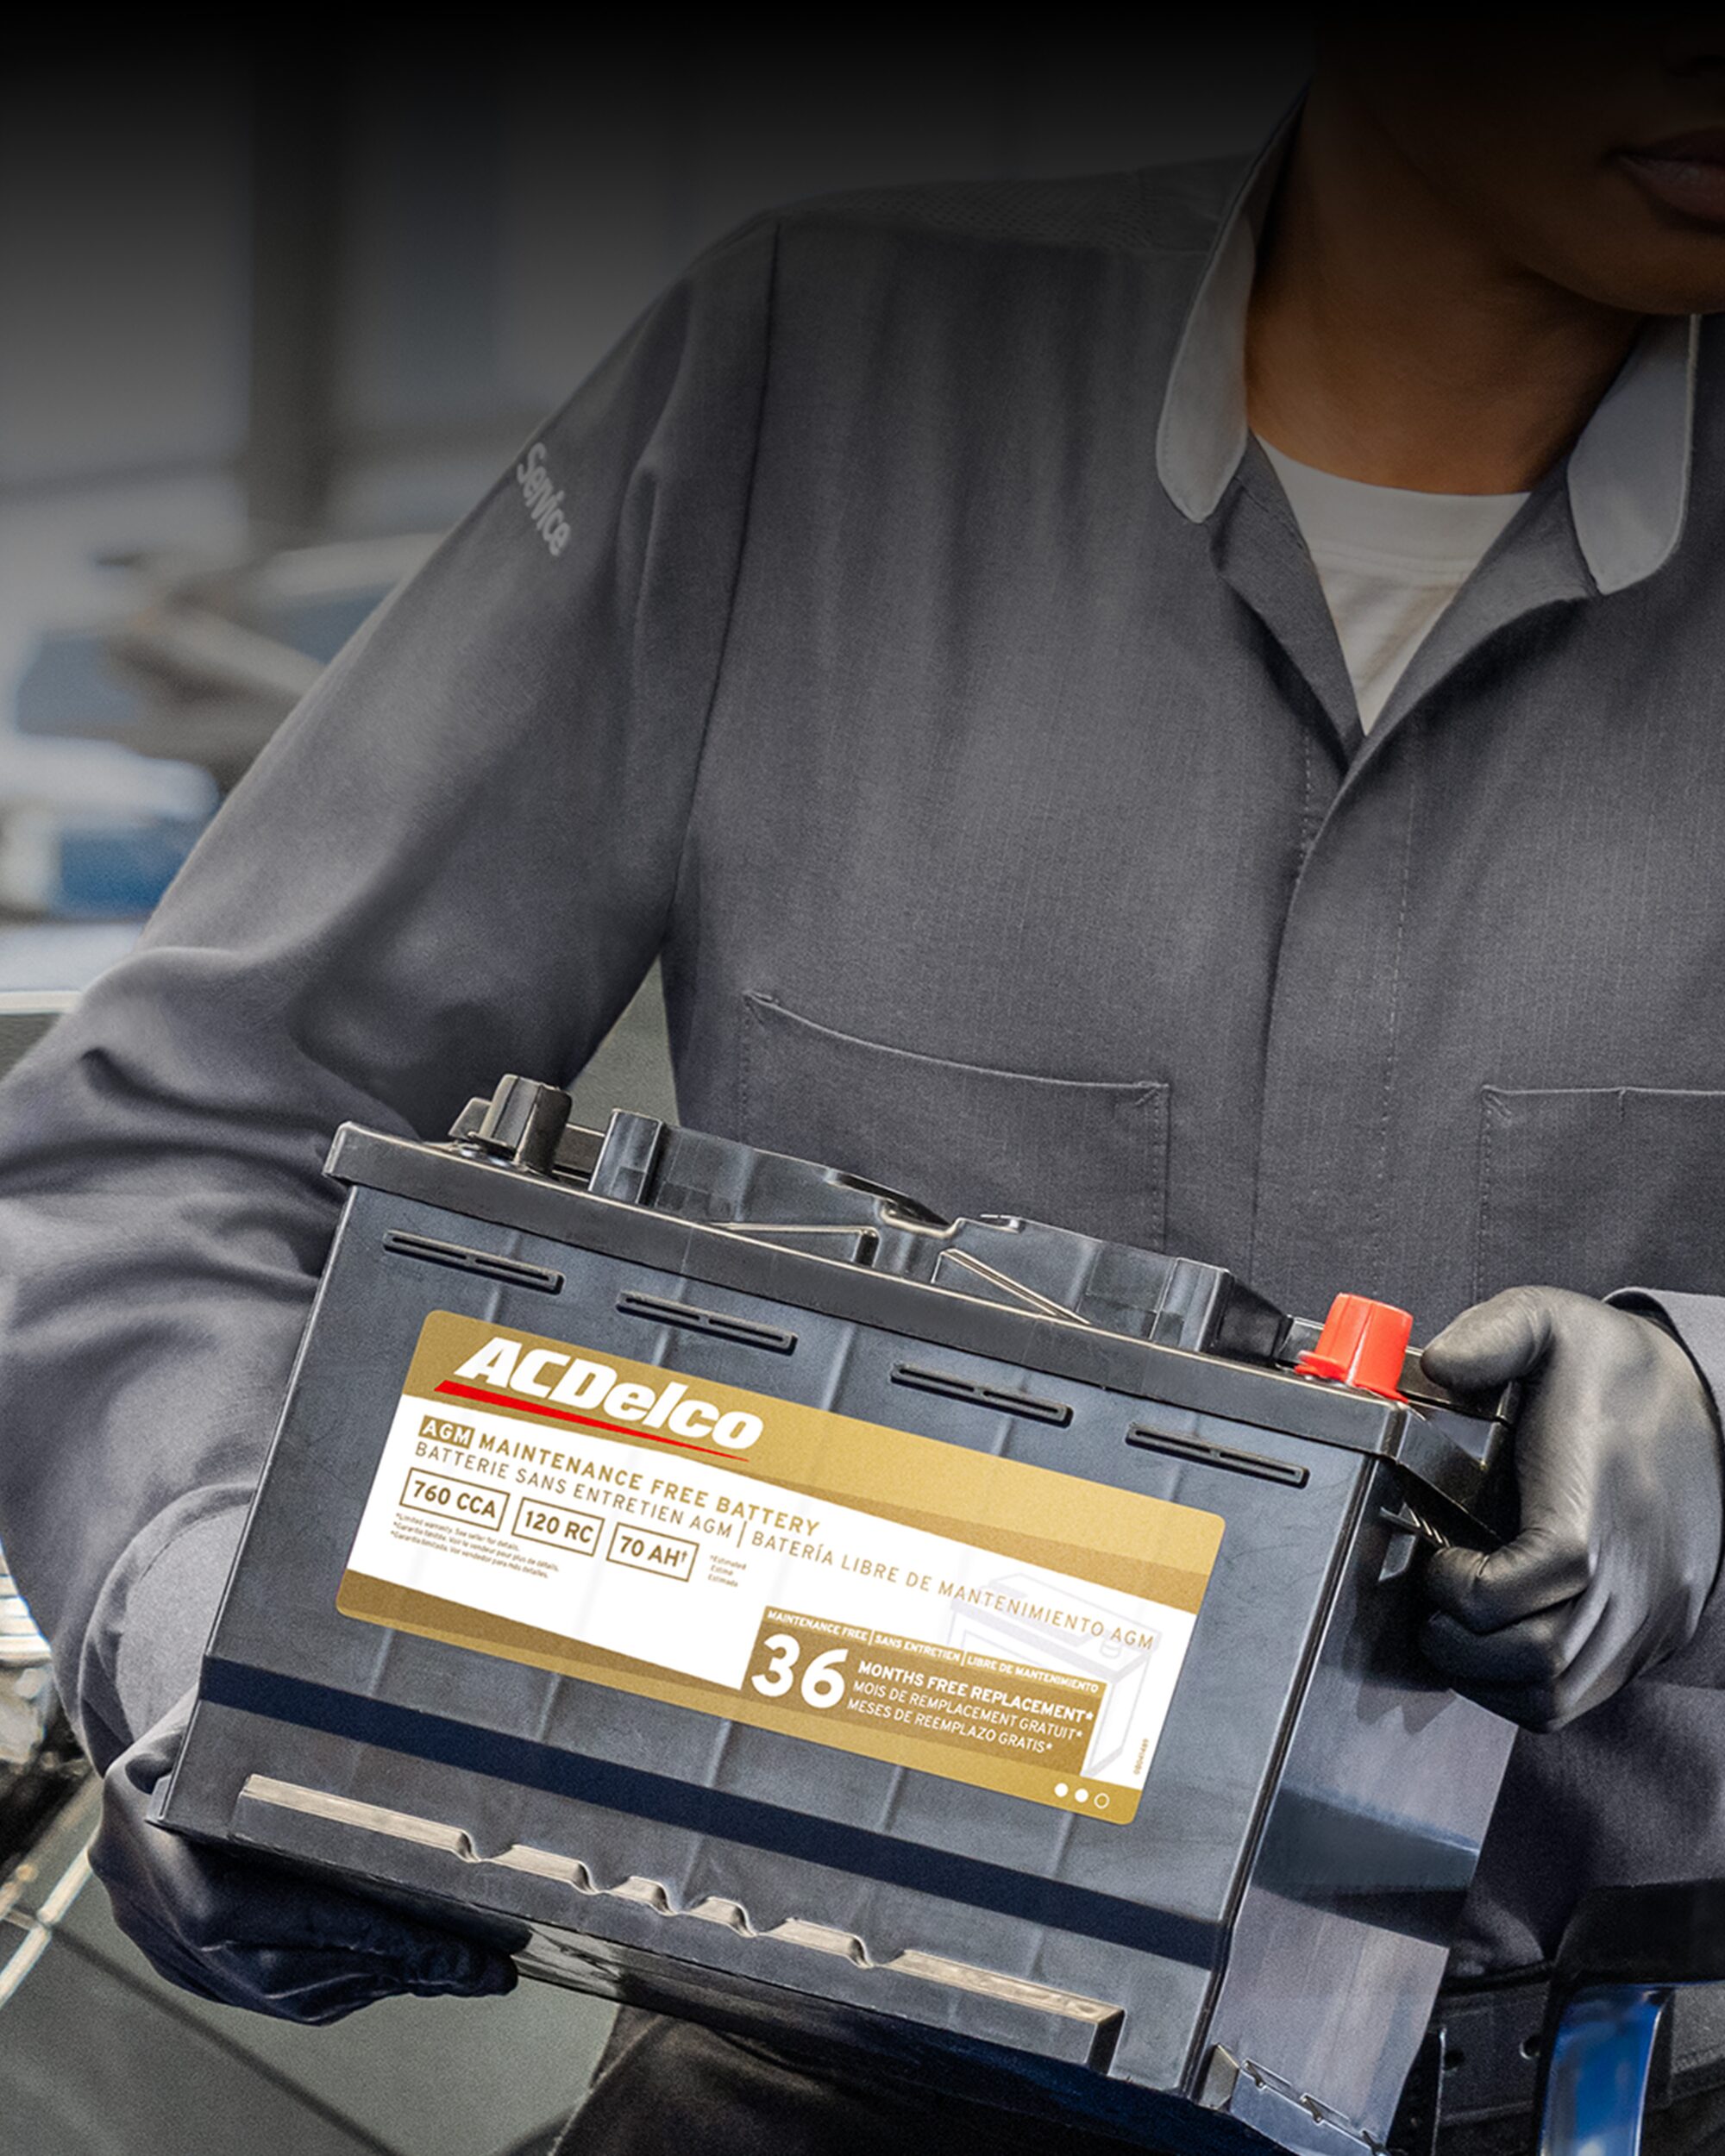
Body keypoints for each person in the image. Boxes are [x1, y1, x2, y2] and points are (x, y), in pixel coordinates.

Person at [3, 18, 1725, 2153]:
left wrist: (1716, 1408)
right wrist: (206, 1635)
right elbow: (167, 1140)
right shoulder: (818, 387)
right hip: (801, 2094)